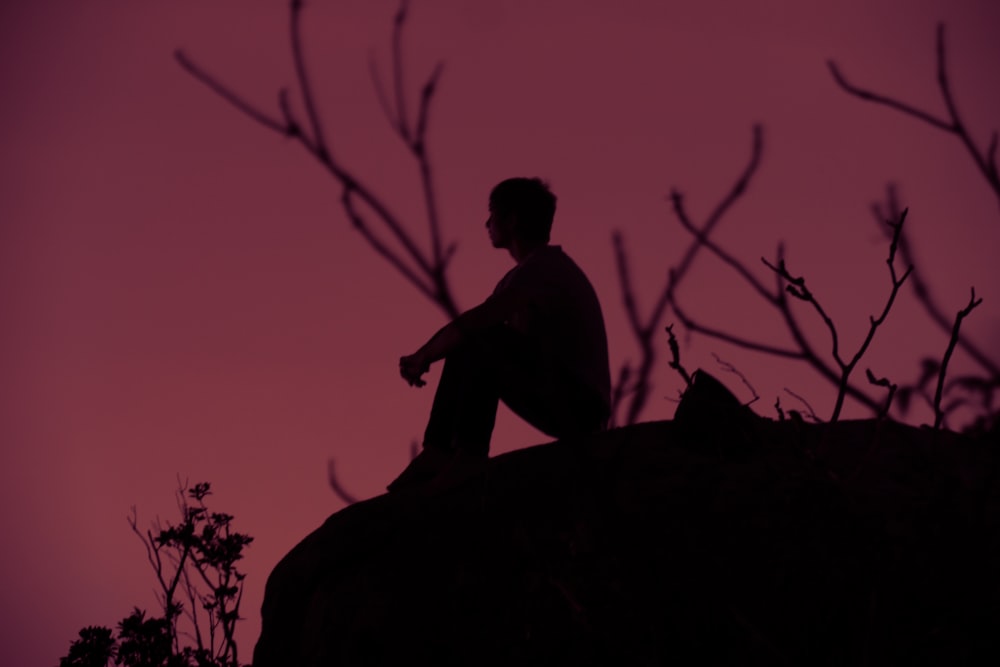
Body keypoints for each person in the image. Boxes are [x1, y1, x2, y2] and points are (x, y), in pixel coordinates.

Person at [388, 177, 611, 492]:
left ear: (513, 219)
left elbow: (480, 323)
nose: (487, 222)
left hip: (581, 407)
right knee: (472, 341)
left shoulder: (547, 268)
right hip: (559, 394)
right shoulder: (523, 275)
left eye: (493, 213)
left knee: (480, 336)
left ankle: (469, 454)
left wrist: (424, 354)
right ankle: (439, 449)